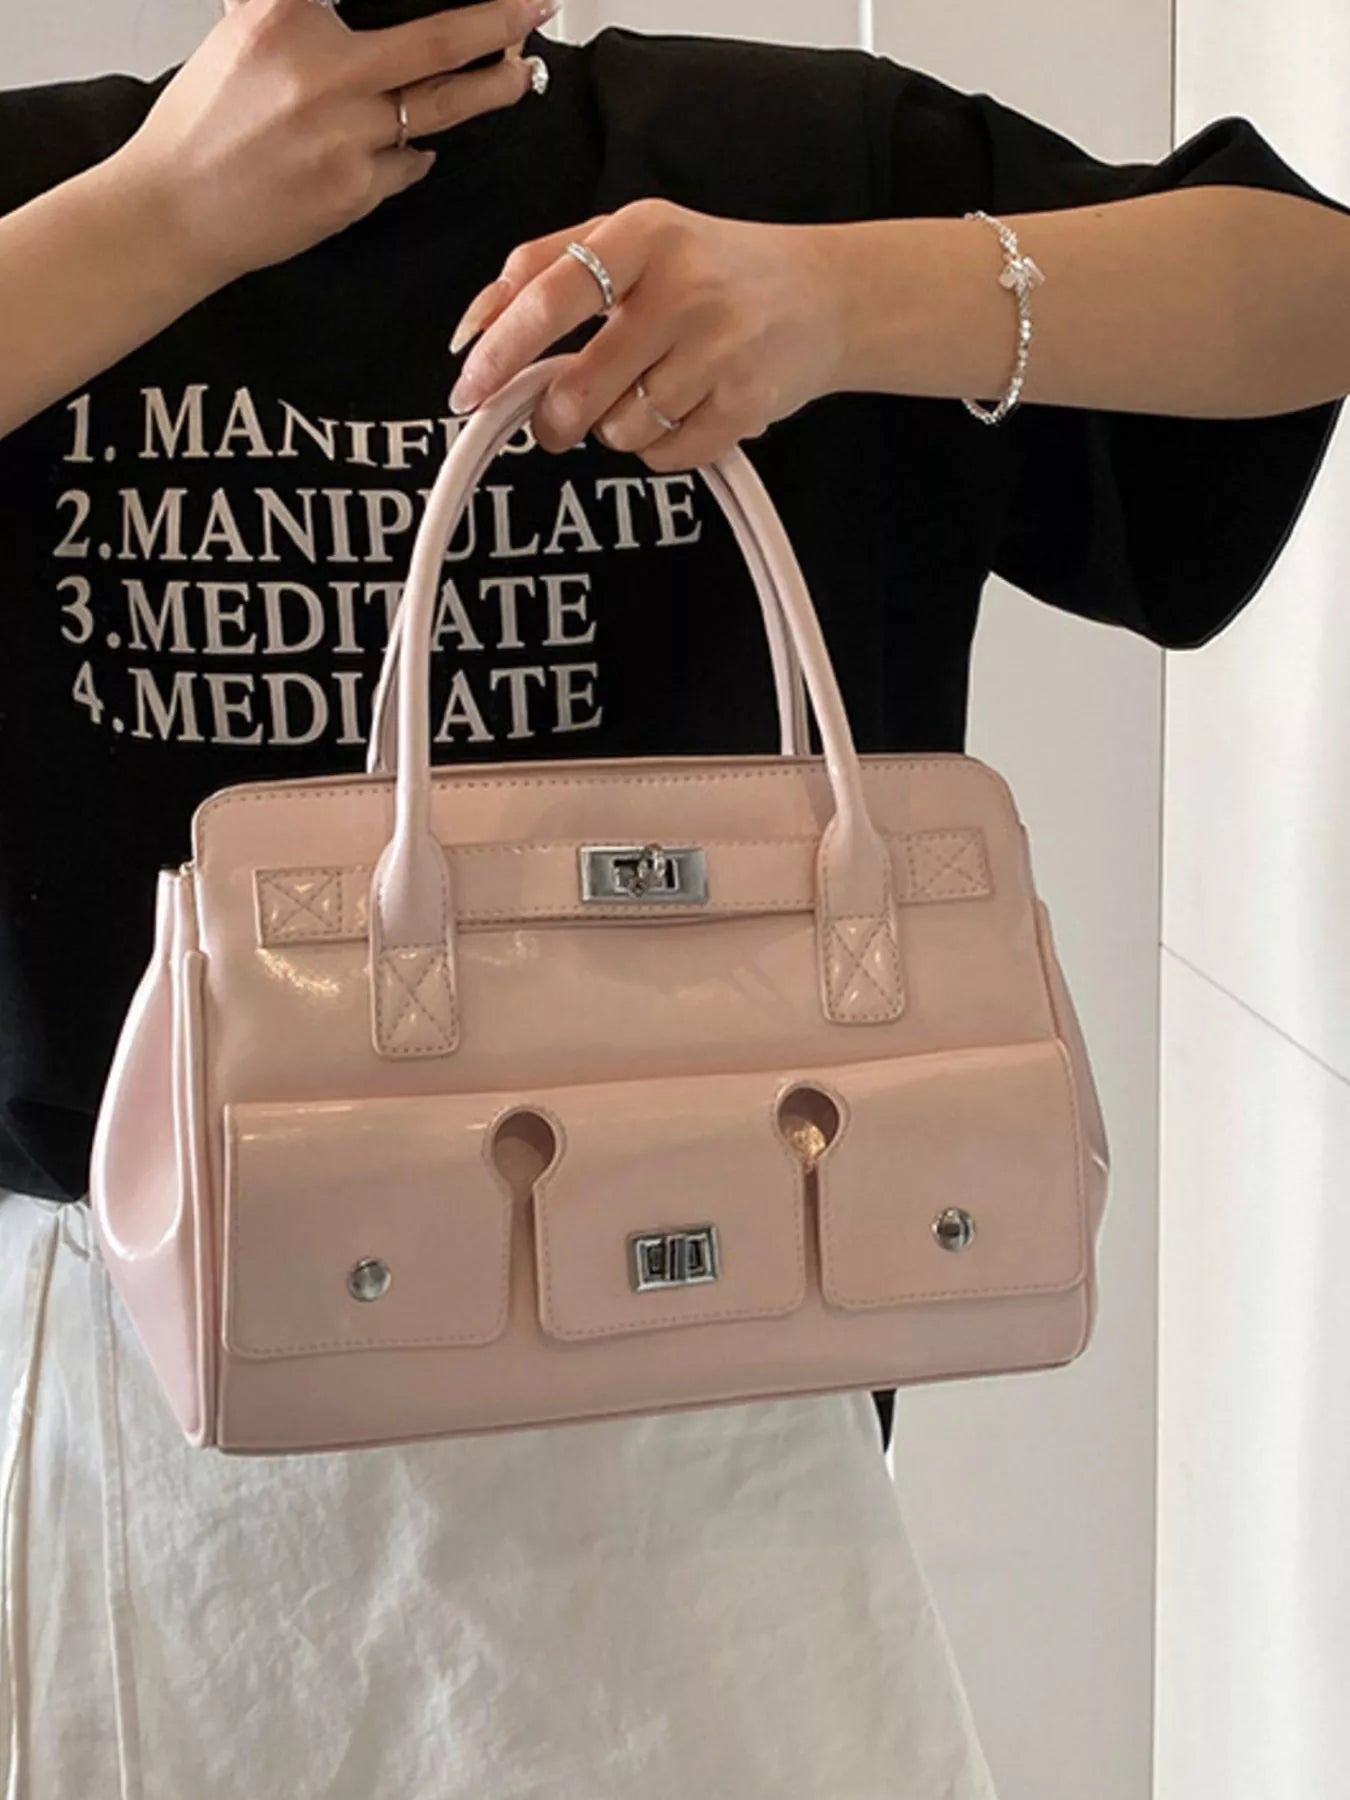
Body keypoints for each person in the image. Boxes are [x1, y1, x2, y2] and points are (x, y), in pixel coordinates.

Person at [1, 1, 1346, 1794]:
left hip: (717, 1416)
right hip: (149, 1432)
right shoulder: (49, 188)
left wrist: (848, 299)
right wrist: (146, 223)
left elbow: (1306, 286)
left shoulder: (789, 164)